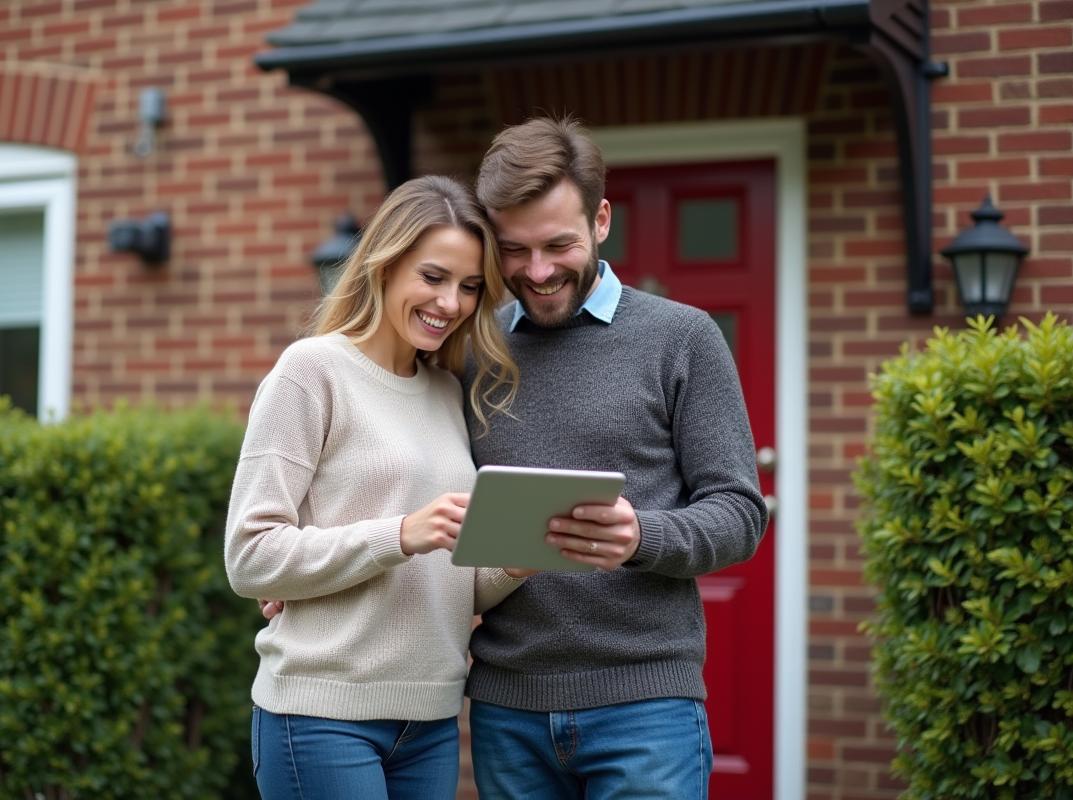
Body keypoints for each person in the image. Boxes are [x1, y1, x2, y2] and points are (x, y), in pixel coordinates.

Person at [461, 116, 769, 800]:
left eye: (557, 245)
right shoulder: (473, 352)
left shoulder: (682, 338)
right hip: (507, 708)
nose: (537, 273)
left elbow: (740, 512)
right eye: (514, 250)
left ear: (601, 219)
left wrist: (642, 535)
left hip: (646, 710)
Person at [224, 174, 529, 800]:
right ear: (385, 265)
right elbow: (250, 557)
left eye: (471, 287)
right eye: (433, 277)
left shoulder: (447, 393)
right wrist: (399, 534)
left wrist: (515, 565)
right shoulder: (312, 372)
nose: (451, 303)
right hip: (321, 714)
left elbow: (456, 582)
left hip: (432, 718)